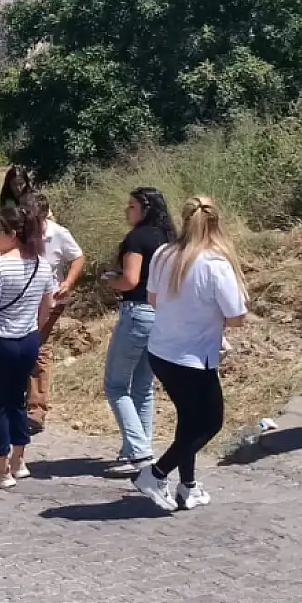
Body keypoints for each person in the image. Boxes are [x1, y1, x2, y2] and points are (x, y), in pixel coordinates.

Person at [131, 197, 248, 512]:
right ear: (216, 223)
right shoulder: (215, 264)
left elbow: (153, 299)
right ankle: (155, 474)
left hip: (161, 351)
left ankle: (189, 486)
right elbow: (236, 317)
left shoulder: (163, 254)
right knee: (210, 423)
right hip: (194, 359)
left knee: (189, 418)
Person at [0, 203, 56, 489]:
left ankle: (0, 468)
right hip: (27, 339)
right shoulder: (42, 263)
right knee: (17, 399)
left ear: (11, 234)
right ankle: (19, 461)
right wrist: (33, 329)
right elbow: (48, 305)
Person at [101, 187, 174, 476]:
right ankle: (138, 449)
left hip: (137, 313)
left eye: (131, 206)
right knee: (143, 386)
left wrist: (111, 280)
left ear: (144, 209)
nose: (126, 211)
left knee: (116, 385)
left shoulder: (137, 238)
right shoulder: (169, 238)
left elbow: (130, 280)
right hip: (161, 314)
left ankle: (139, 450)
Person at [27, 193, 84, 433]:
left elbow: (78, 257)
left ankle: (36, 409)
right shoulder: (21, 232)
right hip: (25, 299)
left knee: (38, 349)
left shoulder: (58, 233)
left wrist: (68, 282)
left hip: (51, 299)